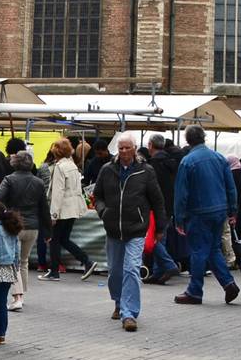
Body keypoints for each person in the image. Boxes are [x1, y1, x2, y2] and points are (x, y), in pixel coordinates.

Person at [93, 132, 166, 332]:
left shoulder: (146, 171)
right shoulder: (107, 170)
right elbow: (97, 195)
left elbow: (157, 201)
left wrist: (160, 227)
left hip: (136, 229)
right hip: (113, 229)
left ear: (135, 149)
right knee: (115, 272)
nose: (124, 151)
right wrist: (103, 211)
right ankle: (118, 301)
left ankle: (129, 313)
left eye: (127, 147)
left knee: (132, 269)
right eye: (121, 148)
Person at [172, 124, 241, 305]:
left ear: (188, 140)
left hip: (198, 212)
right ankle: (228, 283)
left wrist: (179, 218)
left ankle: (195, 291)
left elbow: (181, 193)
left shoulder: (187, 161)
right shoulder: (219, 158)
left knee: (198, 251)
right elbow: (230, 187)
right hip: (219, 210)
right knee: (213, 249)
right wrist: (233, 210)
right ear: (204, 137)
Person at [0, 151, 49, 311]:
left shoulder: (9, 179)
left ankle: (18, 297)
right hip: (33, 226)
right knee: (23, 261)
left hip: (14, 225)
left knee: (14, 261)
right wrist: (48, 231)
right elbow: (44, 207)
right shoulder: (39, 182)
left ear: (15, 163)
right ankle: (22, 294)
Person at [39, 137, 97, 281]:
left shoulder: (59, 167)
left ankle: (54, 272)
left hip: (63, 209)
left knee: (54, 240)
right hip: (73, 207)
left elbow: (58, 193)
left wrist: (53, 214)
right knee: (64, 239)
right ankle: (86, 261)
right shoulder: (72, 165)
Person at [145, 133, 184, 283]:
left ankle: (168, 265)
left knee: (151, 239)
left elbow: (152, 189)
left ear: (150, 145)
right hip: (170, 205)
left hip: (156, 207)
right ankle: (157, 272)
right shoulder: (171, 162)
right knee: (161, 238)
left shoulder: (153, 164)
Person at [0, 204, 24, 347]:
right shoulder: (11, 230)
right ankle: (1, 335)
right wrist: (16, 267)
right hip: (8, 271)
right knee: (2, 304)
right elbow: (17, 253)